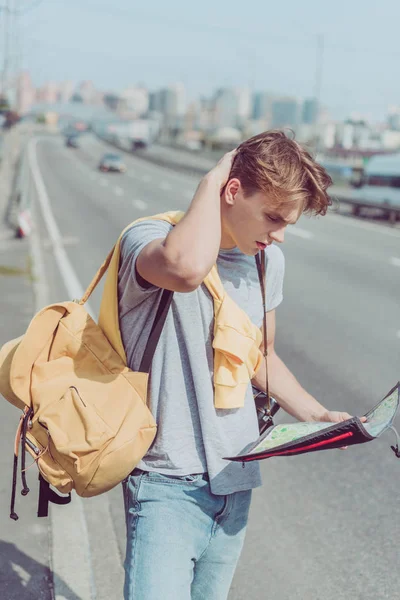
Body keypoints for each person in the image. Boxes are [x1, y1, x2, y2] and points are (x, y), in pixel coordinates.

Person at [118, 130, 355, 600]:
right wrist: (210, 178)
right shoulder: (152, 240)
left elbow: (259, 355)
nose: (279, 234)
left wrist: (317, 416)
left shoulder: (267, 263)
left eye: (288, 223)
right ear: (230, 191)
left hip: (235, 481)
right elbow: (185, 270)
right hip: (166, 483)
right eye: (272, 217)